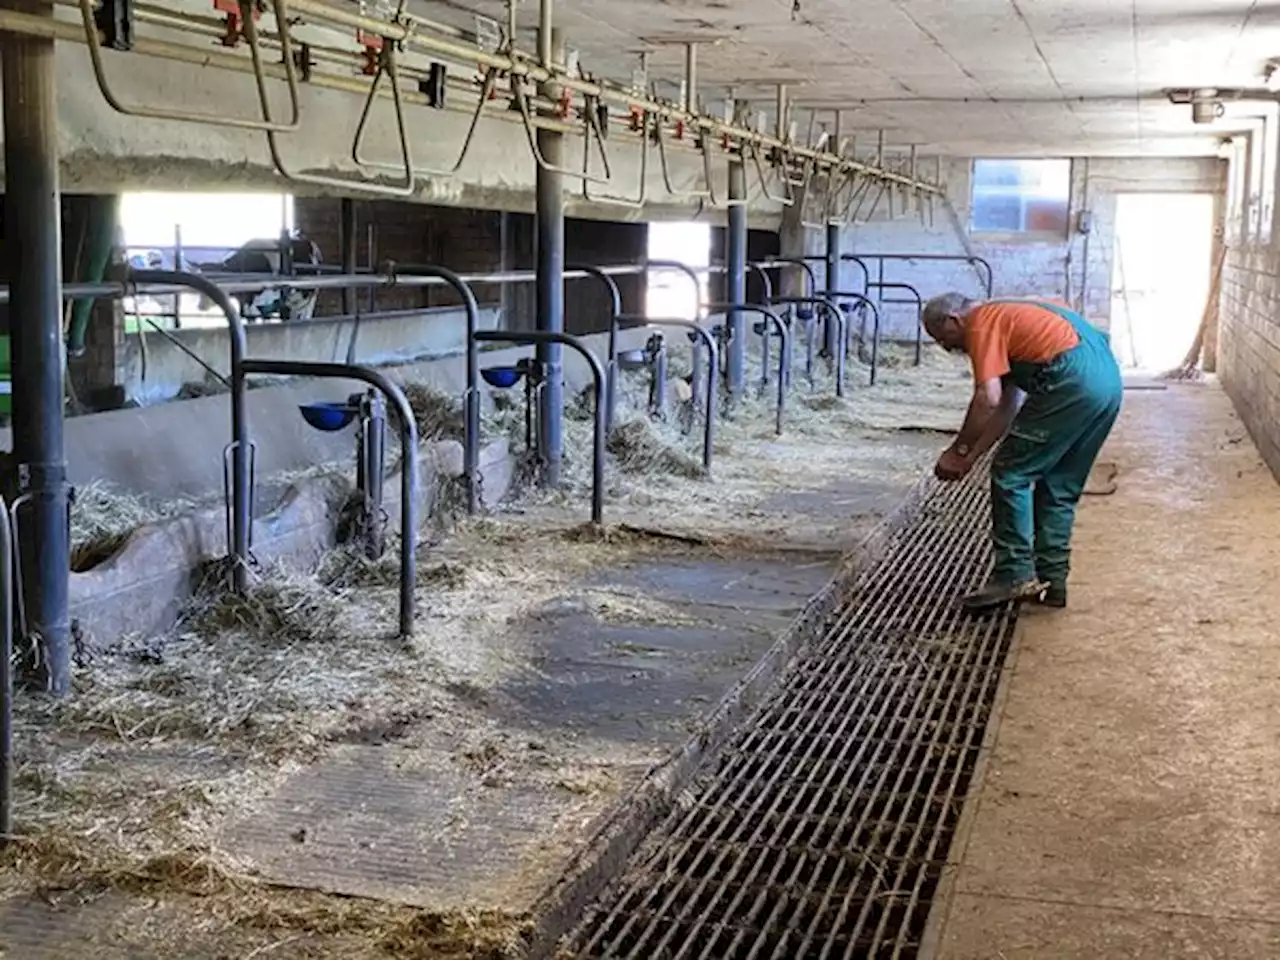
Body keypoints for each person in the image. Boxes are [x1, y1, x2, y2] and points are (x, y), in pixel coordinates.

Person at [921, 293, 1123, 612]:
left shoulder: (980, 323)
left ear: (953, 320)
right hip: (1107, 383)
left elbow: (987, 398)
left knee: (1011, 473)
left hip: (1070, 380)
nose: (947, 349)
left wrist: (957, 449)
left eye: (943, 339)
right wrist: (971, 458)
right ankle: (1052, 582)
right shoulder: (1013, 314)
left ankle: (1014, 574)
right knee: (1058, 485)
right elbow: (1007, 406)